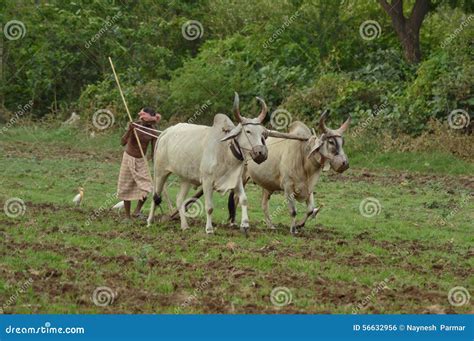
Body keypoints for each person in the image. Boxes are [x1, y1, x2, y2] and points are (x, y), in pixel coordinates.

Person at [117, 107, 161, 219]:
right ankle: (127, 217)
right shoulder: (135, 126)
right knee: (125, 187)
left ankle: (137, 211)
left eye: (146, 121)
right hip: (128, 158)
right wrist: (129, 130)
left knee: (147, 187)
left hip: (141, 161)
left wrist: (155, 163)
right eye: (142, 120)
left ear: (151, 121)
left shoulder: (153, 132)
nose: (142, 122)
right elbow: (122, 142)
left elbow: (154, 150)